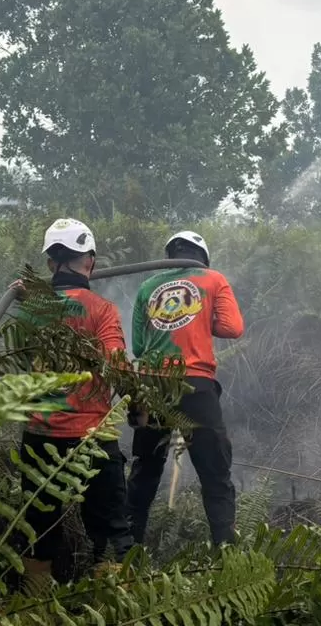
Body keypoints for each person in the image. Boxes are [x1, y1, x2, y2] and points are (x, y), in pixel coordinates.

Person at [15, 218, 134, 586]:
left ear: (51, 263)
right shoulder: (102, 309)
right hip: (93, 440)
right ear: (91, 261)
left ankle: (34, 608)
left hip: (40, 436)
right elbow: (118, 368)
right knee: (110, 533)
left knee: (38, 531)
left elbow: (22, 366)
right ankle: (112, 605)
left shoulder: (30, 310)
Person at [127, 230, 244, 547]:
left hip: (151, 387)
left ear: (169, 257)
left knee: (145, 472)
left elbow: (138, 347)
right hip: (195, 385)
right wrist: (205, 321)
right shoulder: (213, 279)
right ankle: (227, 558)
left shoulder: (147, 287)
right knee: (215, 475)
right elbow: (233, 328)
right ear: (203, 257)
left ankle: (123, 556)